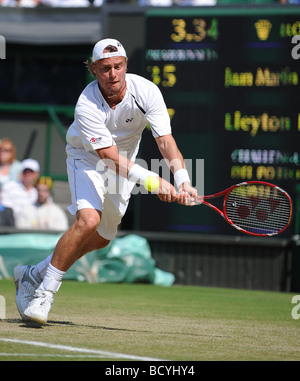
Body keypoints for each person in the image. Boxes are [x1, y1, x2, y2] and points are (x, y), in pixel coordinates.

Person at [14, 38, 198, 325]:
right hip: (86, 157)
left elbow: (165, 141)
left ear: (125, 66)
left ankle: (34, 273)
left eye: (118, 66)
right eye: (105, 68)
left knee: (101, 238)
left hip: (124, 164)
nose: (112, 73)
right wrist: (153, 181)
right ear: (94, 70)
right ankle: (44, 293)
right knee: (88, 221)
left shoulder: (147, 91)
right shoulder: (86, 104)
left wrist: (183, 180)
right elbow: (108, 157)